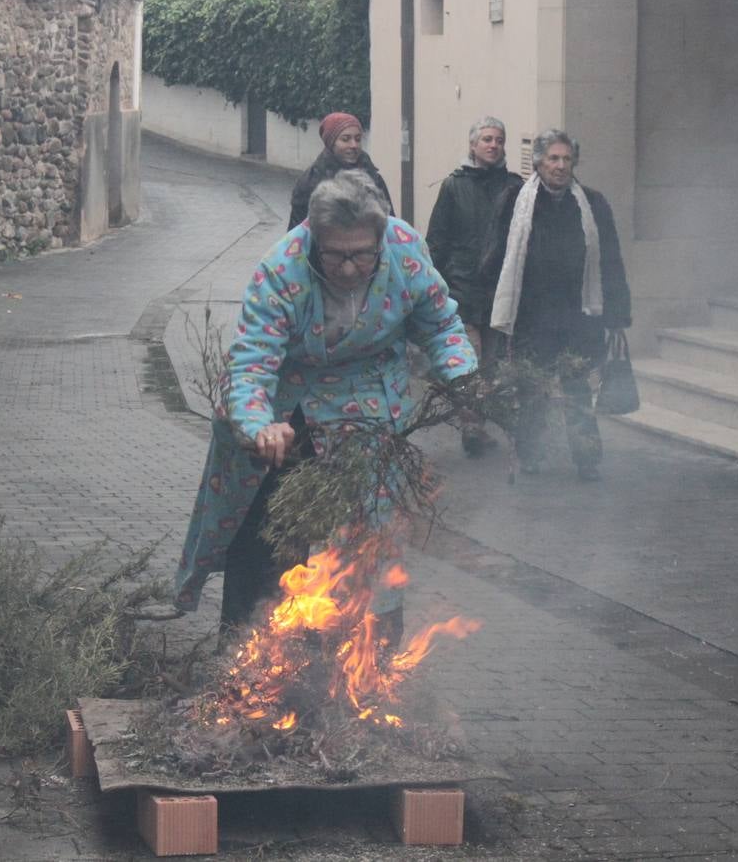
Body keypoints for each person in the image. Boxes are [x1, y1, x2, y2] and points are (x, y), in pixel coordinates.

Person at [176, 170, 477, 642]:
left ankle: (370, 646)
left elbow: (440, 325)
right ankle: (247, 647)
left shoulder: (405, 251)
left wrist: (464, 378)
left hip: (368, 403)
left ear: (380, 236)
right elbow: (252, 364)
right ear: (315, 238)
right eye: (336, 255)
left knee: (370, 530)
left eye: (362, 254)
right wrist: (260, 427)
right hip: (287, 403)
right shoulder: (281, 269)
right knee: (267, 530)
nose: (350, 268)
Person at [481, 129, 630, 482]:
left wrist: (617, 313)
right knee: (532, 388)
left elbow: (610, 260)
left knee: (578, 388)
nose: (560, 166)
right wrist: (489, 308)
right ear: (539, 163)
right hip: (532, 316)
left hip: (579, 317)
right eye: (553, 158)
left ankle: (587, 458)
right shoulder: (515, 201)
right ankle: (531, 453)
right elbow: (496, 255)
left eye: (566, 159)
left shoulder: (592, 204)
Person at [426, 115, 524, 456]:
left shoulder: (515, 187)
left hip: (500, 292)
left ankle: (479, 422)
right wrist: (434, 287)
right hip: (462, 289)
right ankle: (471, 426)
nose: (493, 145)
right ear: (473, 145)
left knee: (492, 365)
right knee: (469, 361)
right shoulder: (454, 186)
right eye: (487, 139)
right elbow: (437, 239)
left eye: (499, 139)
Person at [288, 112, 393, 230]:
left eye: (358, 139)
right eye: (345, 139)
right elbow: (297, 232)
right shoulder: (310, 182)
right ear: (331, 143)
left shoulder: (374, 178)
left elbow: (390, 224)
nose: (354, 145)